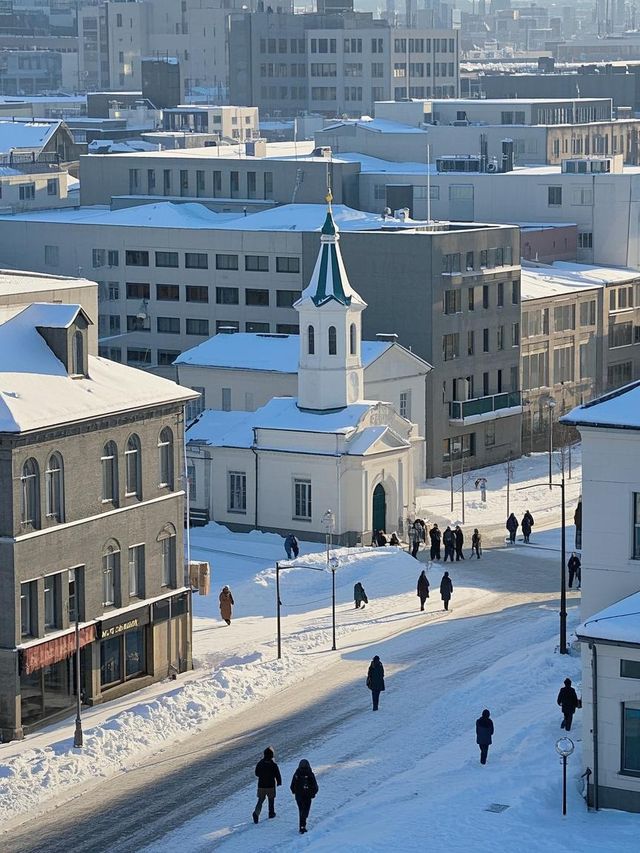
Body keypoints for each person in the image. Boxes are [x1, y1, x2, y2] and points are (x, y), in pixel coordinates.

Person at [252, 746, 282, 823]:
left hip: (261, 785)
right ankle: (271, 813)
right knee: (271, 800)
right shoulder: (273, 764)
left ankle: (256, 813)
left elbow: (256, 773)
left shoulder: (260, 763)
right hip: (270, 786)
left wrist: (262, 776)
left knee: (260, 800)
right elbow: (277, 774)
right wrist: (279, 782)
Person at [290, 759, 319, 834]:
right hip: (307, 795)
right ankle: (303, 825)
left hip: (299, 796)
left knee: (301, 809)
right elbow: (314, 785)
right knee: (306, 809)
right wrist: (313, 793)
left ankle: (302, 825)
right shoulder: (310, 773)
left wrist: (294, 791)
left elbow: (292, 785)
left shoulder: (297, 773)